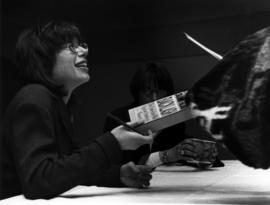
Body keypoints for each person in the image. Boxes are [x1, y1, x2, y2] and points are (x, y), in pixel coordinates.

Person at [0, 21, 155, 200]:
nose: (84, 51)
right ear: (44, 58)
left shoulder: (57, 103)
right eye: (71, 47)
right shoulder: (33, 97)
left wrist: (117, 175)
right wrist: (113, 142)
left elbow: (63, 168)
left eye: (81, 45)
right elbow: (38, 181)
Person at [103, 63, 223, 168]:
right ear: (137, 93)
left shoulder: (174, 121)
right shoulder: (117, 119)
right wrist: (165, 156)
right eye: (148, 91)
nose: (155, 98)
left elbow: (184, 149)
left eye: (160, 91)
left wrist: (203, 153)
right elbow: (115, 165)